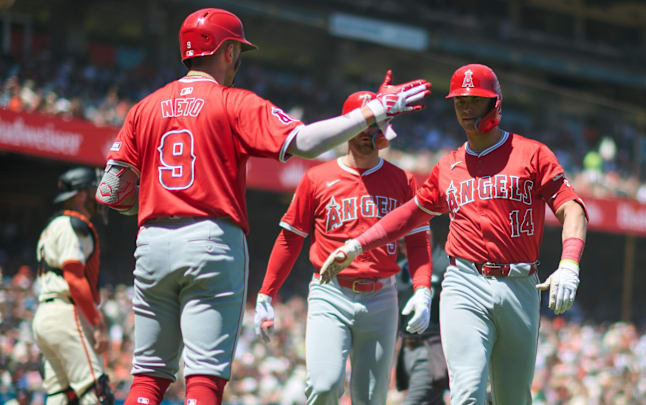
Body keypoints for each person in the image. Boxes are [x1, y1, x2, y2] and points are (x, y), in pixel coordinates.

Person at [94, 8, 431, 405]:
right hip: (210, 239)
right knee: (203, 377)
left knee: (148, 377)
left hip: (151, 241)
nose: (238, 58)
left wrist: (153, 204)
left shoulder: (144, 108)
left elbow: (110, 191)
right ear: (227, 51)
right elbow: (305, 143)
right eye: (237, 49)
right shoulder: (233, 102)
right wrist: (372, 112)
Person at [319, 64, 588, 405]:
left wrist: (569, 264)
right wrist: (358, 244)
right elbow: (411, 213)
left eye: (475, 100)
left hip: (521, 284)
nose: (465, 108)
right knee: (468, 394)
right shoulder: (449, 165)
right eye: (460, 101)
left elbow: (572, 208)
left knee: (513, 398)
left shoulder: (532, 153)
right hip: (464, 283)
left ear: (496, 104)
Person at [253, 90, 434, 405]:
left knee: (371, 398)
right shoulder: (317, 178)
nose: (366, 134)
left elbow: (417, 240)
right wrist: (266, 294)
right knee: (324, 386)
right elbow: (290, 238)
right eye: (360, 126)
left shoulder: (403, 180)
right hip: (330, 291)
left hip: (382, 295)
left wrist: (422, 290)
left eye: (373, 126)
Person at [33, 167, 114, 405]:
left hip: (45, 317)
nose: (97, 196)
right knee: (97, 394)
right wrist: (97, 324)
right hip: (65, 314)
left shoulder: (53, 225)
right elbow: (75, 279)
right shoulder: (71, 225)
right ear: (80, 195)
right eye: (91, 191)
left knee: (61, 397)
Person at [394, 241, 449, 405]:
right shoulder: (399, 270)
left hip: (431, 348)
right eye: (402, 242)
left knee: (414, 401)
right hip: (406, 350)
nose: (405, 246)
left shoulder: (443, 263)